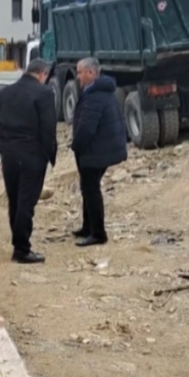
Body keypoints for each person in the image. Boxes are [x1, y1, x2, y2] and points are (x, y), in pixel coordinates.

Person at [0, 58, 57, 264]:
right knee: (26, 201)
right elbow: (48, 128)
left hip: (9, 154)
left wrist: (0, 150)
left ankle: (18, 243)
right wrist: (49, 155)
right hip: (32, 154)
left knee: (15, 199)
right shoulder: (44, 93)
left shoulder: (4, 93)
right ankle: (21, 249)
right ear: (43, 74)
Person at [71, 57, 128, 247]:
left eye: (80, 72)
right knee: (87, 187)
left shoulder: (96, 96)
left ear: (91, 73)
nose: (77, 77)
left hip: (95, 151)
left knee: (91, 189)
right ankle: (88, 227)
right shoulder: (97, 92)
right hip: (98, 150)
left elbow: (87, 127)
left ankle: (98, 233)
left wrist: (76, 146)